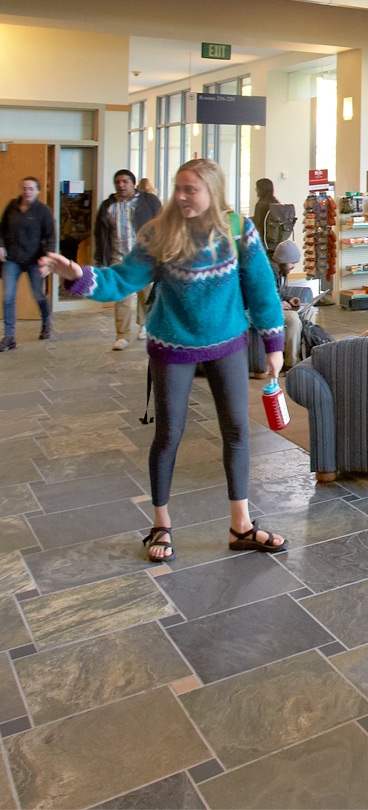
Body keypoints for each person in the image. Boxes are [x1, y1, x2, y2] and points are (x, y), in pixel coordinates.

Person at [39, 158, 287, 563]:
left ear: (213, 191)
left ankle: (241, 526)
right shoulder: (159, 231)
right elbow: (123, 278)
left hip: (227, 343)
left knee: (238, 431)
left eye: (192, 189)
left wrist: (273, 344)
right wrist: (77, 273)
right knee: (169, 434)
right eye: (179, 188)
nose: (183, 196)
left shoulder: (239, 231)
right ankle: (161, 524)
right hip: (171, 345)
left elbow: (260, 289)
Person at [95, 169, 163, 351]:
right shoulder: (108, 206)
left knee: (146, 294)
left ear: (133, 183)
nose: (121, 185)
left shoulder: (148, 202)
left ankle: (145, 324)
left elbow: (161, 225)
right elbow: (100, 234)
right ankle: (122, 335)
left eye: (125, 181)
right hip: (118, 256)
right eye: (117, 182)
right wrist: (100, 259)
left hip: (145, 257)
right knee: (123, 297)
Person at [0, 177, 56, 351]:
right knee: (8, 297)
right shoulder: (12, 207)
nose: (27, 192)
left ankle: (46, 321)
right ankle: (9, 337)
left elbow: (50, 237)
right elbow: (1, 229)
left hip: (35, 261)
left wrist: (48, 260)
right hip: (12, 260)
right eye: (24, 188)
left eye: (31, 188)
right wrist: (1, 246)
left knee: (38, 295)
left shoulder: (43, 211)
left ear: (37, 191)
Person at [270, 240, 315, 369]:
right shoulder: (268, 273)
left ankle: (305, 351)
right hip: (265, 310)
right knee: (292, 318)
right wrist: (279, 304)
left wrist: (289, 299)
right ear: (283, 260)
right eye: (292, 262)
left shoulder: (282, 272)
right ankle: (292, 362)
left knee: (309, 310)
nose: (294, 266)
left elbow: (279, 293)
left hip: (275, 306)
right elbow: (261, 298)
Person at [252, 178, 283, 258]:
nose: (255, 189)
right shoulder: (276, 203)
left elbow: (257, 225)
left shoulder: (260, 204)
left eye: (257, 187)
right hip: (275, 241)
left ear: (261, 189)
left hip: (264, 242)